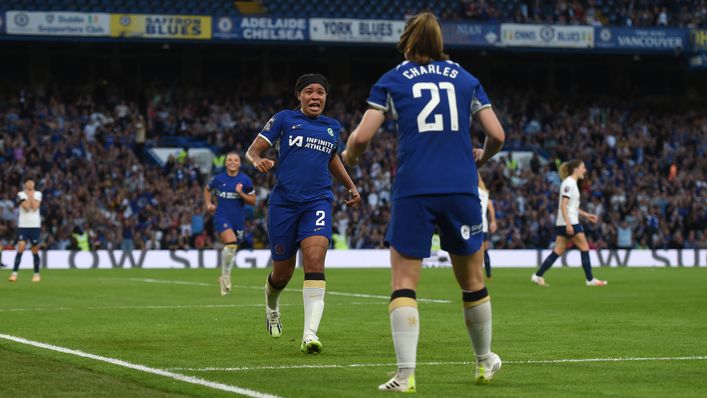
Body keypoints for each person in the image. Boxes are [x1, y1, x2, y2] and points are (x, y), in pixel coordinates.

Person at [342, 12, 505, 391]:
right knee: (473, 282)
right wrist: (483, 154)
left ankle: (405, 375)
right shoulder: (466, 78)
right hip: (462, 187)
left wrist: (350, 158)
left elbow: (363, 137)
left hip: (414, 187)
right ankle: (483, 363)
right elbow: (497, 133)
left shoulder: (393, 79)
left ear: (407, 41)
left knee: (403, 283)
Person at [246, 73, 361, 354]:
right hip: (284, 204)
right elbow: (253, 150)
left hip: (318, 202)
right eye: (309, 91)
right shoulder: (284, 119)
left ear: (325, 97)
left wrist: (350, 185)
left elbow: (332, 157)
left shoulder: (332, 127)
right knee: (282, 275)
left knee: (314, 260)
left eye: (320, 92)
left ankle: (310, 334)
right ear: (299, 95)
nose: (315, 97)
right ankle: (272, 307)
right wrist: (258, 160)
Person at [531, 159, 607, 287]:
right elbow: (563, 205)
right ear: (576, 169)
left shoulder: (571, 183)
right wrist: (568, 224)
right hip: (569, 221)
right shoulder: (569, 183)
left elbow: (572, 207)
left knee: (558, 250)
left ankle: (537, 276)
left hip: (565, 221)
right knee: (584, 247)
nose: (585, 170)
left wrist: (587, 215)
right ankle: (590, 280)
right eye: (583, 167)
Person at [204, 152, 256, 296]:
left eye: (235, 160)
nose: (232, 162)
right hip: (221, 216)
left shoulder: (245, 180)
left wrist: (241, 194)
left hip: (238, 220)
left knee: (232, 248)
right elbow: (207, 190)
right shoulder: (218, 179)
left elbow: (253, 201)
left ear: (239, 163)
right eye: (229, 160)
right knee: (231, 242)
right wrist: (208, 204)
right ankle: (226, 275)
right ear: (226, 163)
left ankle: (224, 275)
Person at [8, 178, 43, 282]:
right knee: (21, 248)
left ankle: (36, 274)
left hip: (35, 226)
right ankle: (14, 274)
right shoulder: (20, 194)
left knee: (35, 250)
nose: (30, 184)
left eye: (32, 182)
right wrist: (30, 196)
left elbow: (35, 207)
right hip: (23, 226)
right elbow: (27, 208)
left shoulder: (38, 194)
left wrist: (30, 196)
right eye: (28, 182)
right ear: (24, 184)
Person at [478, 172, 497, 279]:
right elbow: (491, 207)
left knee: (476, 252)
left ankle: (476, 274)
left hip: (474, 224)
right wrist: (493, 222)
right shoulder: (485, 193)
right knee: (485, 250)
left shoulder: (471, 190)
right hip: (484, 224)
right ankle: (489, 275)